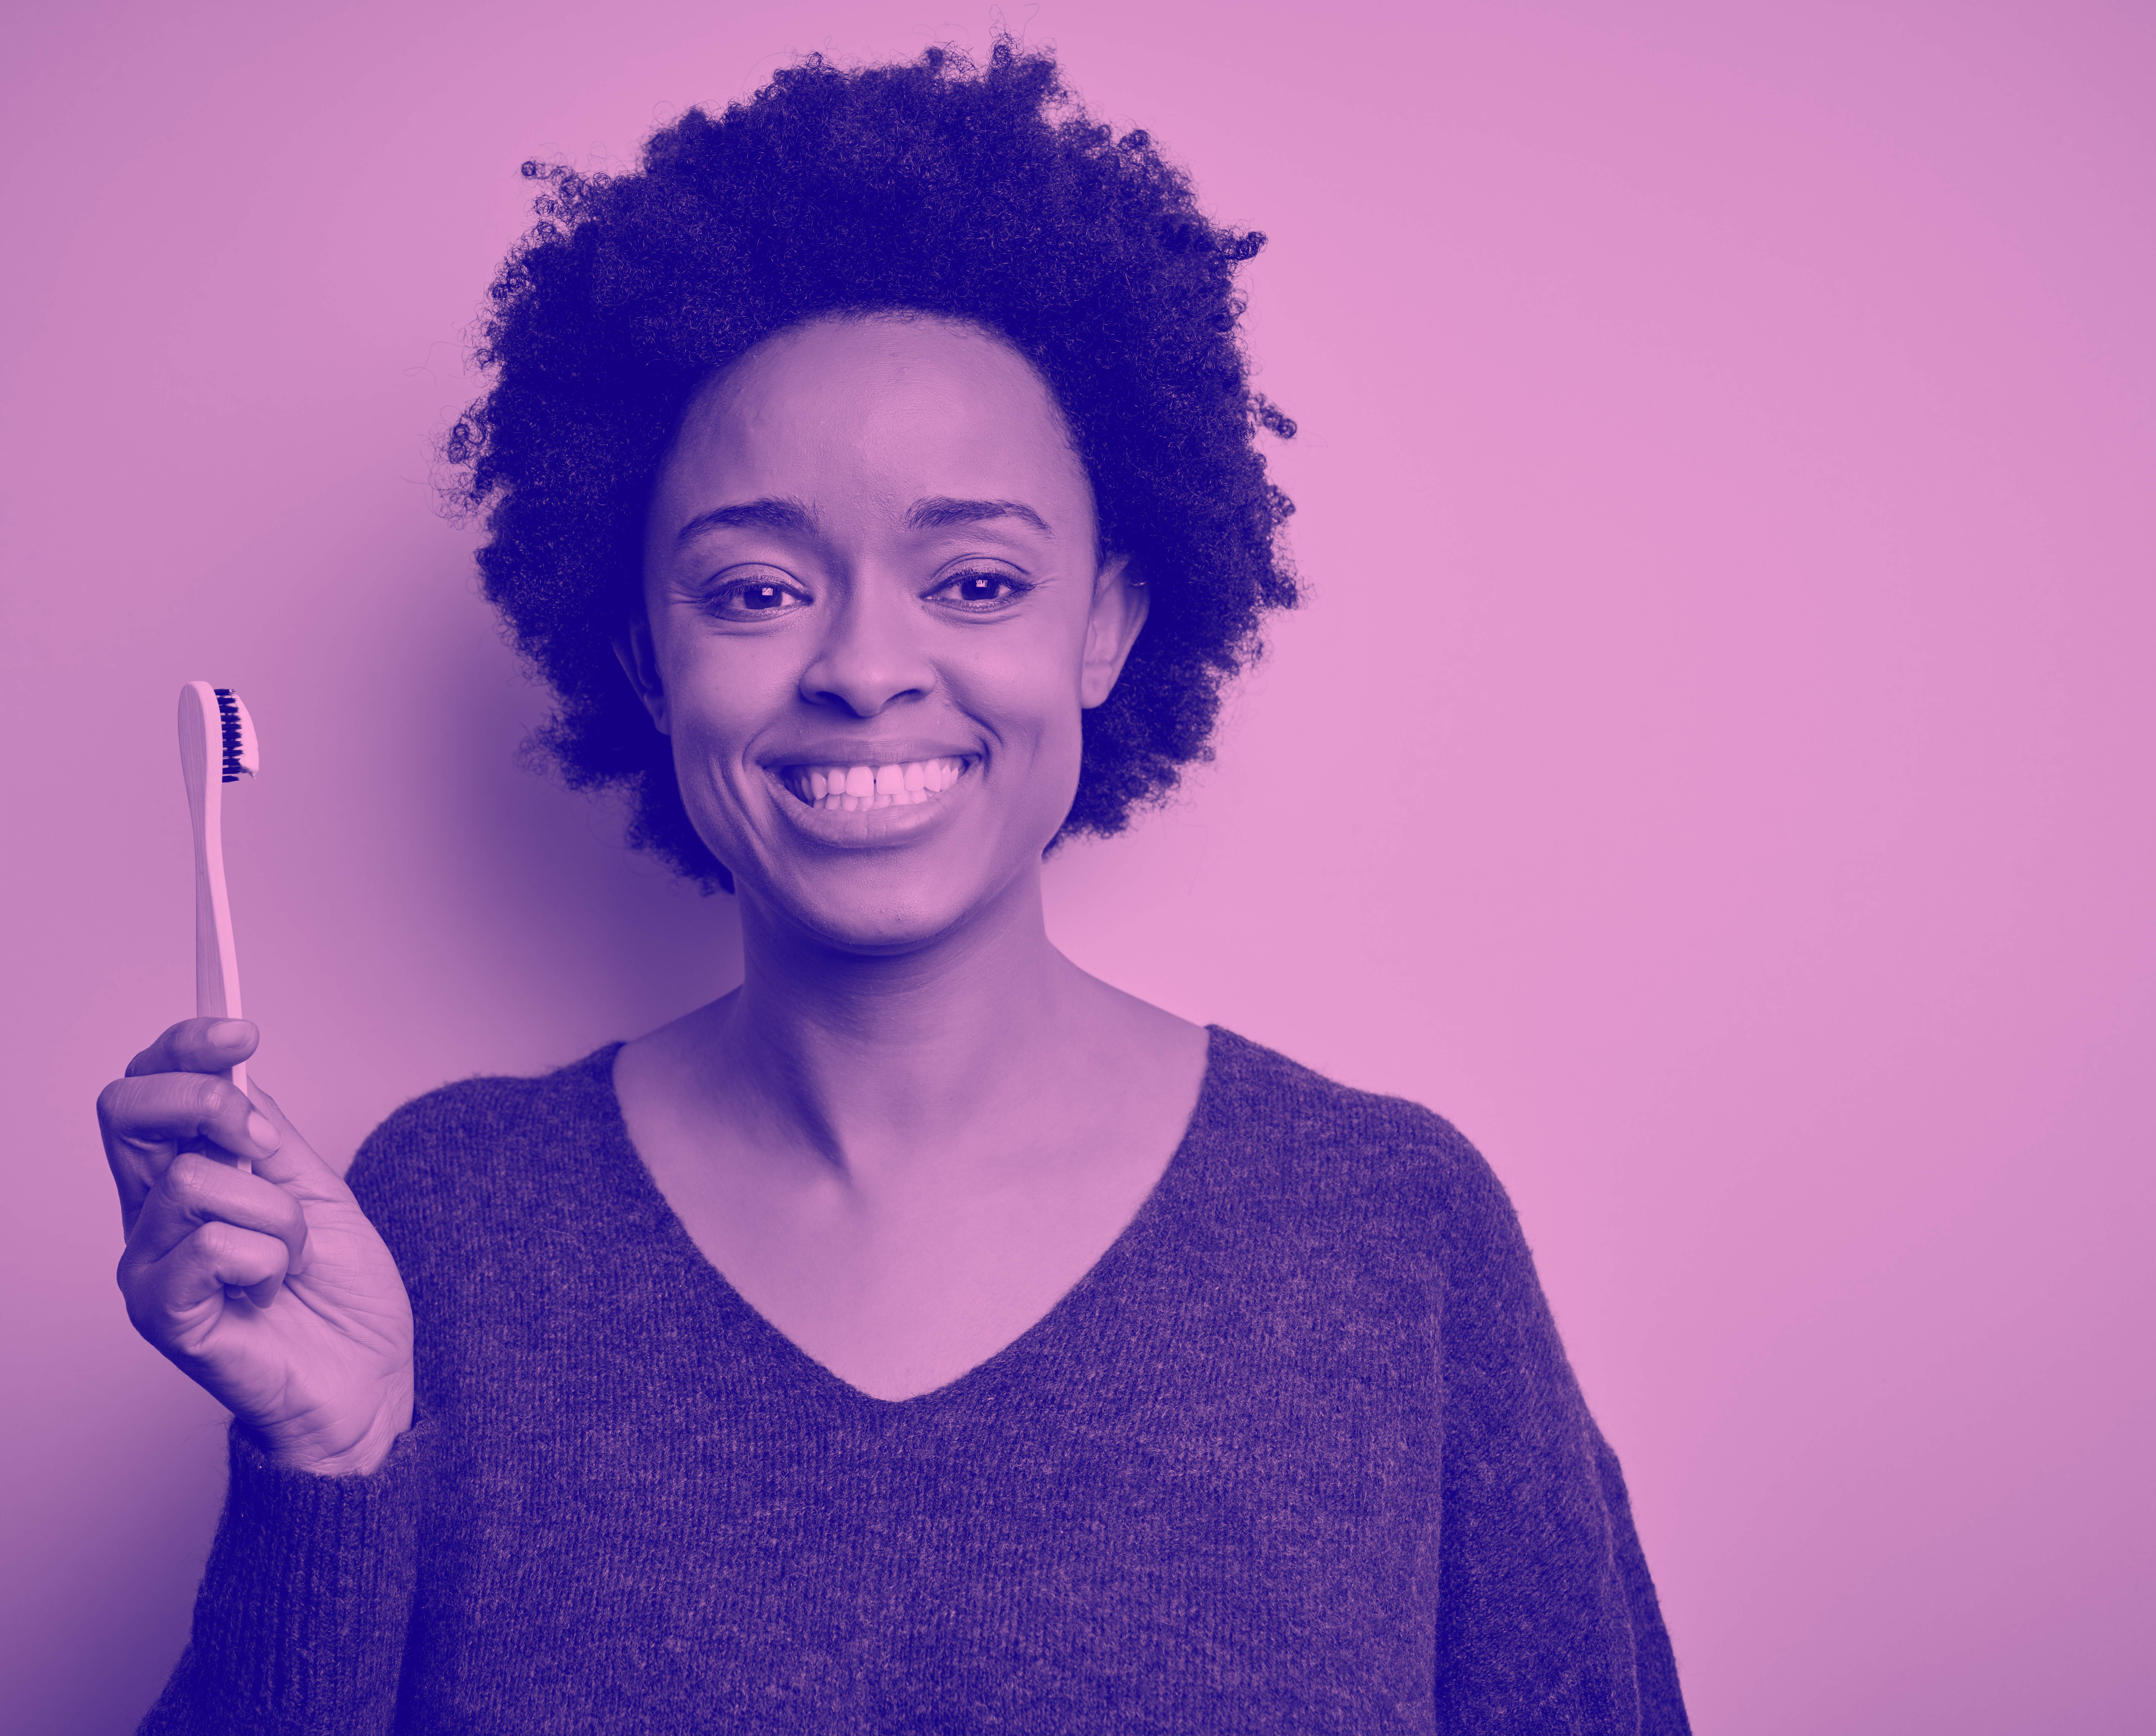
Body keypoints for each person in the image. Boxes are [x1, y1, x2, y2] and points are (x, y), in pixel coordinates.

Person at [100, 40, 1690, 1734]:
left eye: (980, 577)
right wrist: (325, 1463)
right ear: (646, 659)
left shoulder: (1388, 1235)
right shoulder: (452, 1229)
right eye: (759, 589)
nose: (866, 665)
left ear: (1109, 623)